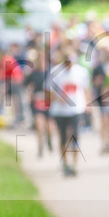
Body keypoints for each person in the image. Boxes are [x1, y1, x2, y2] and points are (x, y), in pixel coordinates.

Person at [47, 40, 92, 177]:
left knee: (75, 136)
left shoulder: (81, 71)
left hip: (76, 109)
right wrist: (57, 98)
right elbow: (48, 92)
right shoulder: (55, 72)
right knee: (62, 138)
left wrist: (88, 104)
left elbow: (86, 89)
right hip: (60, 111)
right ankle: (65, 163)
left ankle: (75, 163)